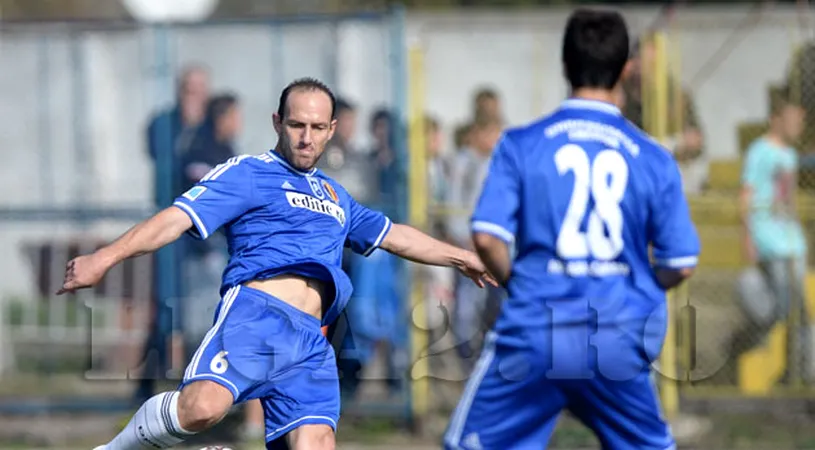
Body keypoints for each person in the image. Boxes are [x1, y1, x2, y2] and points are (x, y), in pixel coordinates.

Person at [57, 77, 494, 450]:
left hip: (311, 341)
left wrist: (462, 257)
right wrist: (104, 258)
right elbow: (175, 218)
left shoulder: (337, 197)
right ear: (277, 123)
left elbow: (393, 234)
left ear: (332, 130)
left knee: (316, 444)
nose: (307, 136)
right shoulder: (249, 173)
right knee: (202, 409)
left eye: (318, 127)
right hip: (256, 319)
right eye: (297, 124)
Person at [444, 9, 700, 449]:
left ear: (565, 66)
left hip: (535, 329)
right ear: (626, 69)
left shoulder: (522, 143)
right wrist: (637, 287)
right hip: (617, 334)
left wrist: (516, 283)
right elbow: (681, 262)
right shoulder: (653, 156)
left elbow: (486, 236)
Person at [733, 86, 810, 384]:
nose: (797, 125)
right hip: (771, 241)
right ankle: (749, 345)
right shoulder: (759, 151)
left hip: (791, 243)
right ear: (777, 118)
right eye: (793, 118)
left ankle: (797, 373)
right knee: (784, 309)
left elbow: (787, 201)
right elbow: (747, 195)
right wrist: (748, 237)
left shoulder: (790, 155)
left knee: (796, 312)